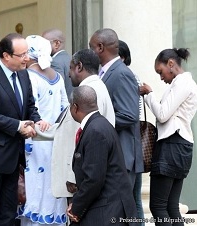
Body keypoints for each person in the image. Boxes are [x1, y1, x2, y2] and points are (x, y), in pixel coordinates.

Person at [0, 33, 48, 226]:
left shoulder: (24, 75)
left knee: (8, 214)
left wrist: (37, 122)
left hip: (13, 157)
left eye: (27, 54)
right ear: (6, 56)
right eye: (21, 55)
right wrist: (18, 126)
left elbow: (30, 106)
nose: (27, 58)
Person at [140, 48, 197, 225]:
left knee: (158, 207)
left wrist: (149, 94)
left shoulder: (183, 83)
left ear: (171, 64)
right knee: (171, 207)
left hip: (171, 145)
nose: (161, 77)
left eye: (161, 71)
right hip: (181, 146)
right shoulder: (186, 83)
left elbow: (163, 114)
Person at [67, 85, 138, 226]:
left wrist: (76, 207)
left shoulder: (95, 131)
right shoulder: (101, 124)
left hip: (108, 211)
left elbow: (94, 179)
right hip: (108, 207)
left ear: (75, 107)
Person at [17, 35, 68, 226]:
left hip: (35, 138)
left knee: (35, 186)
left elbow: (31, 108)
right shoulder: (59, 77)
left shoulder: (28, 76)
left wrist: (38, 123)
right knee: (52, 185)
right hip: (55, 139)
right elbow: (65, 108)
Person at [89, 28, 143, 188]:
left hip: (122, 158)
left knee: (119, 211)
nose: (89, 52)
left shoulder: (121, 73)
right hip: (113, 157)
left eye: (91, 47)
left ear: (100, 47)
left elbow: (129, 115)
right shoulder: (105, 73)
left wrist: (97, 123)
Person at [118, 40, 145, 226]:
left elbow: (131, 115)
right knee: (135, 198)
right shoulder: (133, 77)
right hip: (135, 147)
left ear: (123, 57)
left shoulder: (125, 76)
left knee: (132, 199)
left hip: (129, 147)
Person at [42, 28, 72, 99]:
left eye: (43, 43)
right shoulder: (70, 58)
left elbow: (56, 90)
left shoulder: (54, 62)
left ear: (56, 44)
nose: (41, 47)